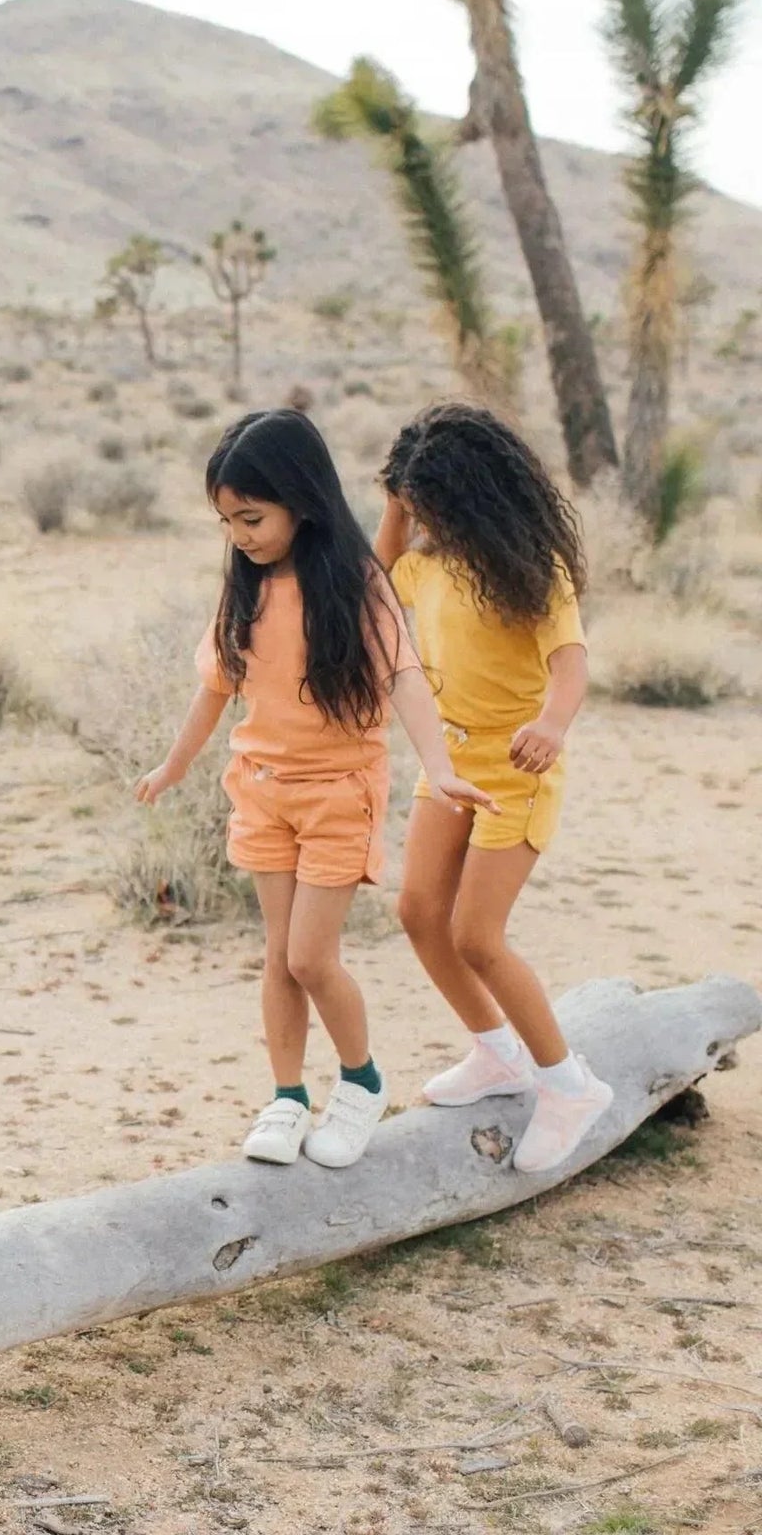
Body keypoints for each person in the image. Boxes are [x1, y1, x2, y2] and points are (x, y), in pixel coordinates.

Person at [137, 410, 493, 1168]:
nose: (240, 534)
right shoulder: (245, 591)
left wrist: (440, 765)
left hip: (339, 792)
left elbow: (402, 678)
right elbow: (214, 688)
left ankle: (362, 1082)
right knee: (277, 955)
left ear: (302, 500)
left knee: (310, 957)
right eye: (227, 520)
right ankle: (287, 1096)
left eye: (253, 517)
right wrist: (174, 765)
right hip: (260, 790)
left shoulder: (357, 584)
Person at [377, 401, 610, 1174]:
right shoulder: (430, 561)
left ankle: (570, 1085)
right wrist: (391, 501)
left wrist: (551, 724)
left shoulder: (531, 572)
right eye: (417, 504)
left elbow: (569, 664)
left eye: (431, 501)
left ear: (472, 494)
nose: (423, 516)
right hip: (448, 761)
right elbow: (375, 579)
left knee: (477, 935)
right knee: (418, 913)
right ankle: (496, 1053)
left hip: (520, 767)